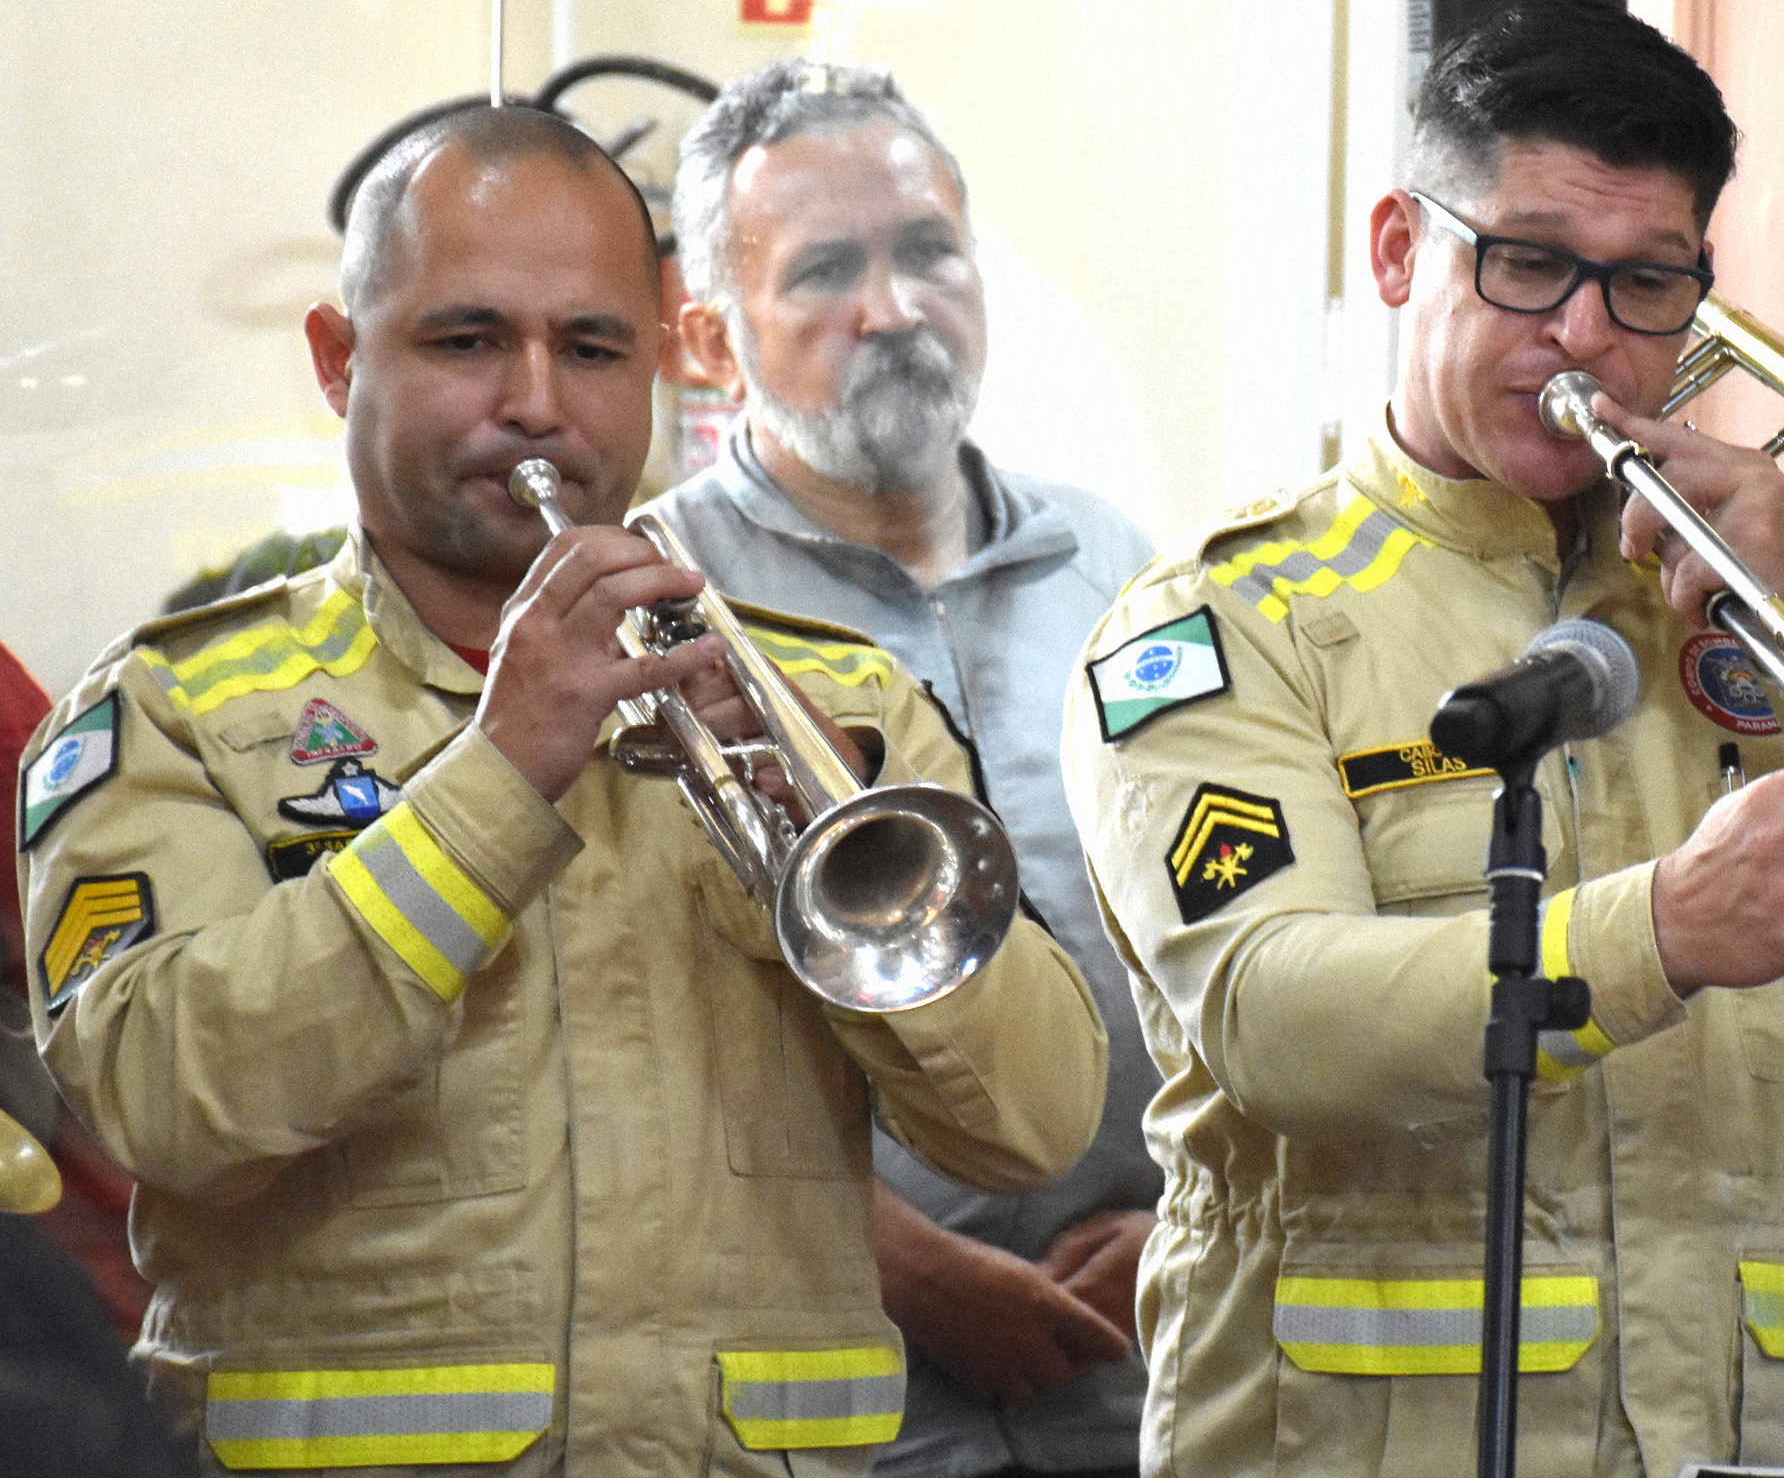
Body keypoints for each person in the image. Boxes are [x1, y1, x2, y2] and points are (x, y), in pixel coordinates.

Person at [1060, 0, 1784, 1476]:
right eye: (1531, 263)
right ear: (1403, 252)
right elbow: (1274, 1018)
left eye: (1648, 283)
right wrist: (1661, 927)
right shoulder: (1230, 621)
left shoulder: (1770, 614)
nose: (1587, 335)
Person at [15, 105, 1107, 1476]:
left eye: (591, 349)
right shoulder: (172, 710)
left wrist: (813, 823)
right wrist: (496, 775)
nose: (537, 401)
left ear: (656, 369)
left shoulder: (847, 706)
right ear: (339, 359)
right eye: (467, 340)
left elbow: (1037, 1124)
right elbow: (163, 1108)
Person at [652, 58, 1161, 1478]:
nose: (891, 309)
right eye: (824, 270)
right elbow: (634, 1041)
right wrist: (907, 1267)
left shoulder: (1125, 572)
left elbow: (1228, 940)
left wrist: (1191, 1213)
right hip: (821, 1394)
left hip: (1133, 1368)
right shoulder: (651, 607)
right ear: (707, 335)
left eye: (927, 252)